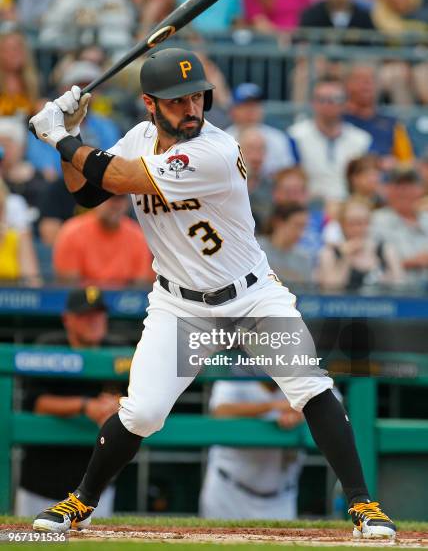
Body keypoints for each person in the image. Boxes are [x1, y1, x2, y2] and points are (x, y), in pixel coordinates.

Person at [29, 47, 396, 538]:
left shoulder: (215, 151)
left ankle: (363, 504)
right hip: (181, 306)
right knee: (142, 411)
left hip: (251, 297)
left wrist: (59, 135)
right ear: (149, 104)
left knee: (310, 384)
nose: (191, 109)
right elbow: (87, 193)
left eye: (197, 97)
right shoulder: (140, 137)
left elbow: (118, 176)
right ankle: (81, 500)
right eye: (177, 101)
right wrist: (71, 141)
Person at [16, 287, 123, 517]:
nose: (94, 321)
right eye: (86, 315)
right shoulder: (49, 346)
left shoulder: (118, 349)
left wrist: (117, 403)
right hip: (42, 482)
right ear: (67, 319)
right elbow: (35, 402)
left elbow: (136, 398)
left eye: (99, 314)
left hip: (95, 489)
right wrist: (85, 406)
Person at [199, 380, 305, 519]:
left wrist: (302, 413)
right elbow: (220, 411)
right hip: (229, 491)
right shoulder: (236, 370)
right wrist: (271, 407)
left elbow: (335, 404)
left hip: (281, 497)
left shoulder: (305, 372)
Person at [288, 77, 371, 203]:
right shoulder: (295, 136)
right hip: (310, 206)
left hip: (351, 206)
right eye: (322, 99)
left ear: (345, 103)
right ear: (312, 103)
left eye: (335, 99)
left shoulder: (361, 139)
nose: (328, 104)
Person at [53, 195, 154, 287]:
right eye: (108, 197)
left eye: (120, 198)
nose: (115, 204)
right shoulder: (72, 233)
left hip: (124, 302)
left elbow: (141, 286)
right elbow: (68, 288)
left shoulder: (138, 236)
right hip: (84, 302)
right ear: (96, 200)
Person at [317, 198, 402, 291]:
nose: (358, 229)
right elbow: (329, 291)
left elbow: (399, 288)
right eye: (352, 223)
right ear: (342, 225)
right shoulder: (329, 253)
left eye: (363, 223)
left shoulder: (385, 250)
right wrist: (345, 259)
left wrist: (376, 269)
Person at [344, 63, 414, 165]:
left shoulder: (392, 124)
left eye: (371, 80)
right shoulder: (337, 121)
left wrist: (396, 165)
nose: (366, 84)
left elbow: (407, 162)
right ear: (347, 84)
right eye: (359, 80)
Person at [370, 168, 428, 286]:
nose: (405, 191)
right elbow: (368, 267)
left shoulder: (426, 219)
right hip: (393, 294)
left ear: (421, 189)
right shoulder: (375, 220)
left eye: (410, 185)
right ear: (388, 189)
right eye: (399, 185)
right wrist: (412, 262)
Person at [226, 82, 296, 176]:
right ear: (232, 111)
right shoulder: (224, 139)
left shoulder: (278, 138)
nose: (251, 111)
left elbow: (286, 174)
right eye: (245, 106)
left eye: (255, 105)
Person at [259, 203, 314, 287]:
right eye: (297, 225)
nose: (301, 233)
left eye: (303, 227)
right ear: (278, 223)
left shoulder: (304, 258)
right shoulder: (257, 249)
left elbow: (307, 292)